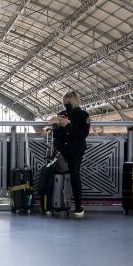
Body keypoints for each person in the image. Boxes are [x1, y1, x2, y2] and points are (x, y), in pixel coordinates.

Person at [50, 90, 90, 218]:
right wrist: (56, 127)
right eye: (64, 101)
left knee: (74, 174)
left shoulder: (84, 115)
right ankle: (55, 203)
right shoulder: (61, 114)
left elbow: (83, 134)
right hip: (61, 149)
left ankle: (78, 206)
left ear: (75, 101)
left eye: (68, 101)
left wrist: (68, 125)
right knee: (55, 173)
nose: (66, 103)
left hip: (76, 149)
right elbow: (56, 135)